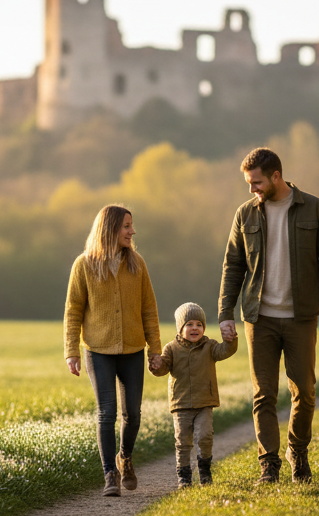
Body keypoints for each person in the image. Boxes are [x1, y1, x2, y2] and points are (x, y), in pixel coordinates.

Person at [218, 147, 319, 484]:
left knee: (304, 390)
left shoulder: (314, 209)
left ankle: (298, 450)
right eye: (248, 183)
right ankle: (269, 463)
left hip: (300, 317)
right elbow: (233, 265)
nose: (251, 189)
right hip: (258, 318)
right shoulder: (244, 214)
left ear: (276, 176)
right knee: (264, 394)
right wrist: (225, 313)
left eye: (256, 182)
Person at [64, 204, 163, 497]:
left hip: (133, 349)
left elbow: (149, 310)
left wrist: (155, 350)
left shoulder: (137, 264)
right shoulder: (83, 265)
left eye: (131, 226)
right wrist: (71, 351)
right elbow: (73, 311)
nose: (132, 231)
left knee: (132, 414)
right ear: (109, 229)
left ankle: (125, 458)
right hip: (98, 351)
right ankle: (110, 474)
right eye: (126, 226)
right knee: (107, 413)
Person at [150, 302, 238, 488]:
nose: (195, 328)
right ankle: (184, 477)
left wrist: (230, 340)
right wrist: (156, 365)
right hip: (181, 404)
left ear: (204, 328)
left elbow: (225, 351)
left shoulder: (210, 346)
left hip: (205, 402)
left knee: (205, 436)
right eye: (189, 324)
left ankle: (205, 472)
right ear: (180, 328)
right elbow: (162, 369)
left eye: (199, 324)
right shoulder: (171, 349)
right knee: (182, 442)